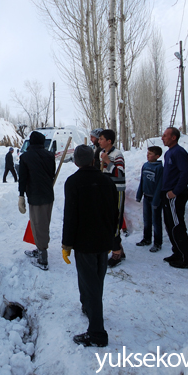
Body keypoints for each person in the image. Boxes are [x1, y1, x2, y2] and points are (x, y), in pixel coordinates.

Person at [61, 145, 119, 347]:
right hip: (103, 240)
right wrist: (113, 237)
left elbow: (70, 215)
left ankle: (97, 333)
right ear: (94, 161)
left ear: (76, 162)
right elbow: (115, 211)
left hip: (84, 242)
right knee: (96, 280)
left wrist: (66, 243)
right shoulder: (106, 181)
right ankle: (89, 307)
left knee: (90, 283)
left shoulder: (73, 182)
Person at [18, 130, 56, 271]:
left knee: (38, 224)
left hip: (35, 196)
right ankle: (40, 248)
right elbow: (52, 173)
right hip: (48, 195)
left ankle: (43, 258)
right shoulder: (50, 155)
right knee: (43, 223)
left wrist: (21, 195)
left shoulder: (26, 157)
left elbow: (23, 178)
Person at [160, 127, 188, 269]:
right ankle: (177, 253)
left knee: (177, 226)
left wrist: (175, 191)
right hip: (167, 194)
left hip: (175, 195)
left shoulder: (179, 153)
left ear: (173, 137)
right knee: (170, 225)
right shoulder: (169, 153)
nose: (162, 138)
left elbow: (185, 174)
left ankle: (187, 259)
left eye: (165, 135)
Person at [98, 129, 126, 267]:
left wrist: (108, 161)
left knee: (115, 220)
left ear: (109, 141)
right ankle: (119, 248)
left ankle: (116, 253)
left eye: (101, 139)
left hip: (116, 191)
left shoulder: (117, 154)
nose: (99, 141)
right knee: (108, 219)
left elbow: (120, 174)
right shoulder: (102, 154)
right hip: (106, 191)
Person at [135, 146, 164, 252]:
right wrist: (139, 195)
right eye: (148, 153)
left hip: (155, 198)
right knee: (146, 219)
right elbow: (142, 181)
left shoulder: (159, 168)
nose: (148, 155)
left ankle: (157, 243)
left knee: (156, 221)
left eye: (150, 153)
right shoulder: (145, 165)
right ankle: (146, 239)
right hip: (146, 197)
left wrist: (156, 200)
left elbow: (160, 186)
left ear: (157, 156)